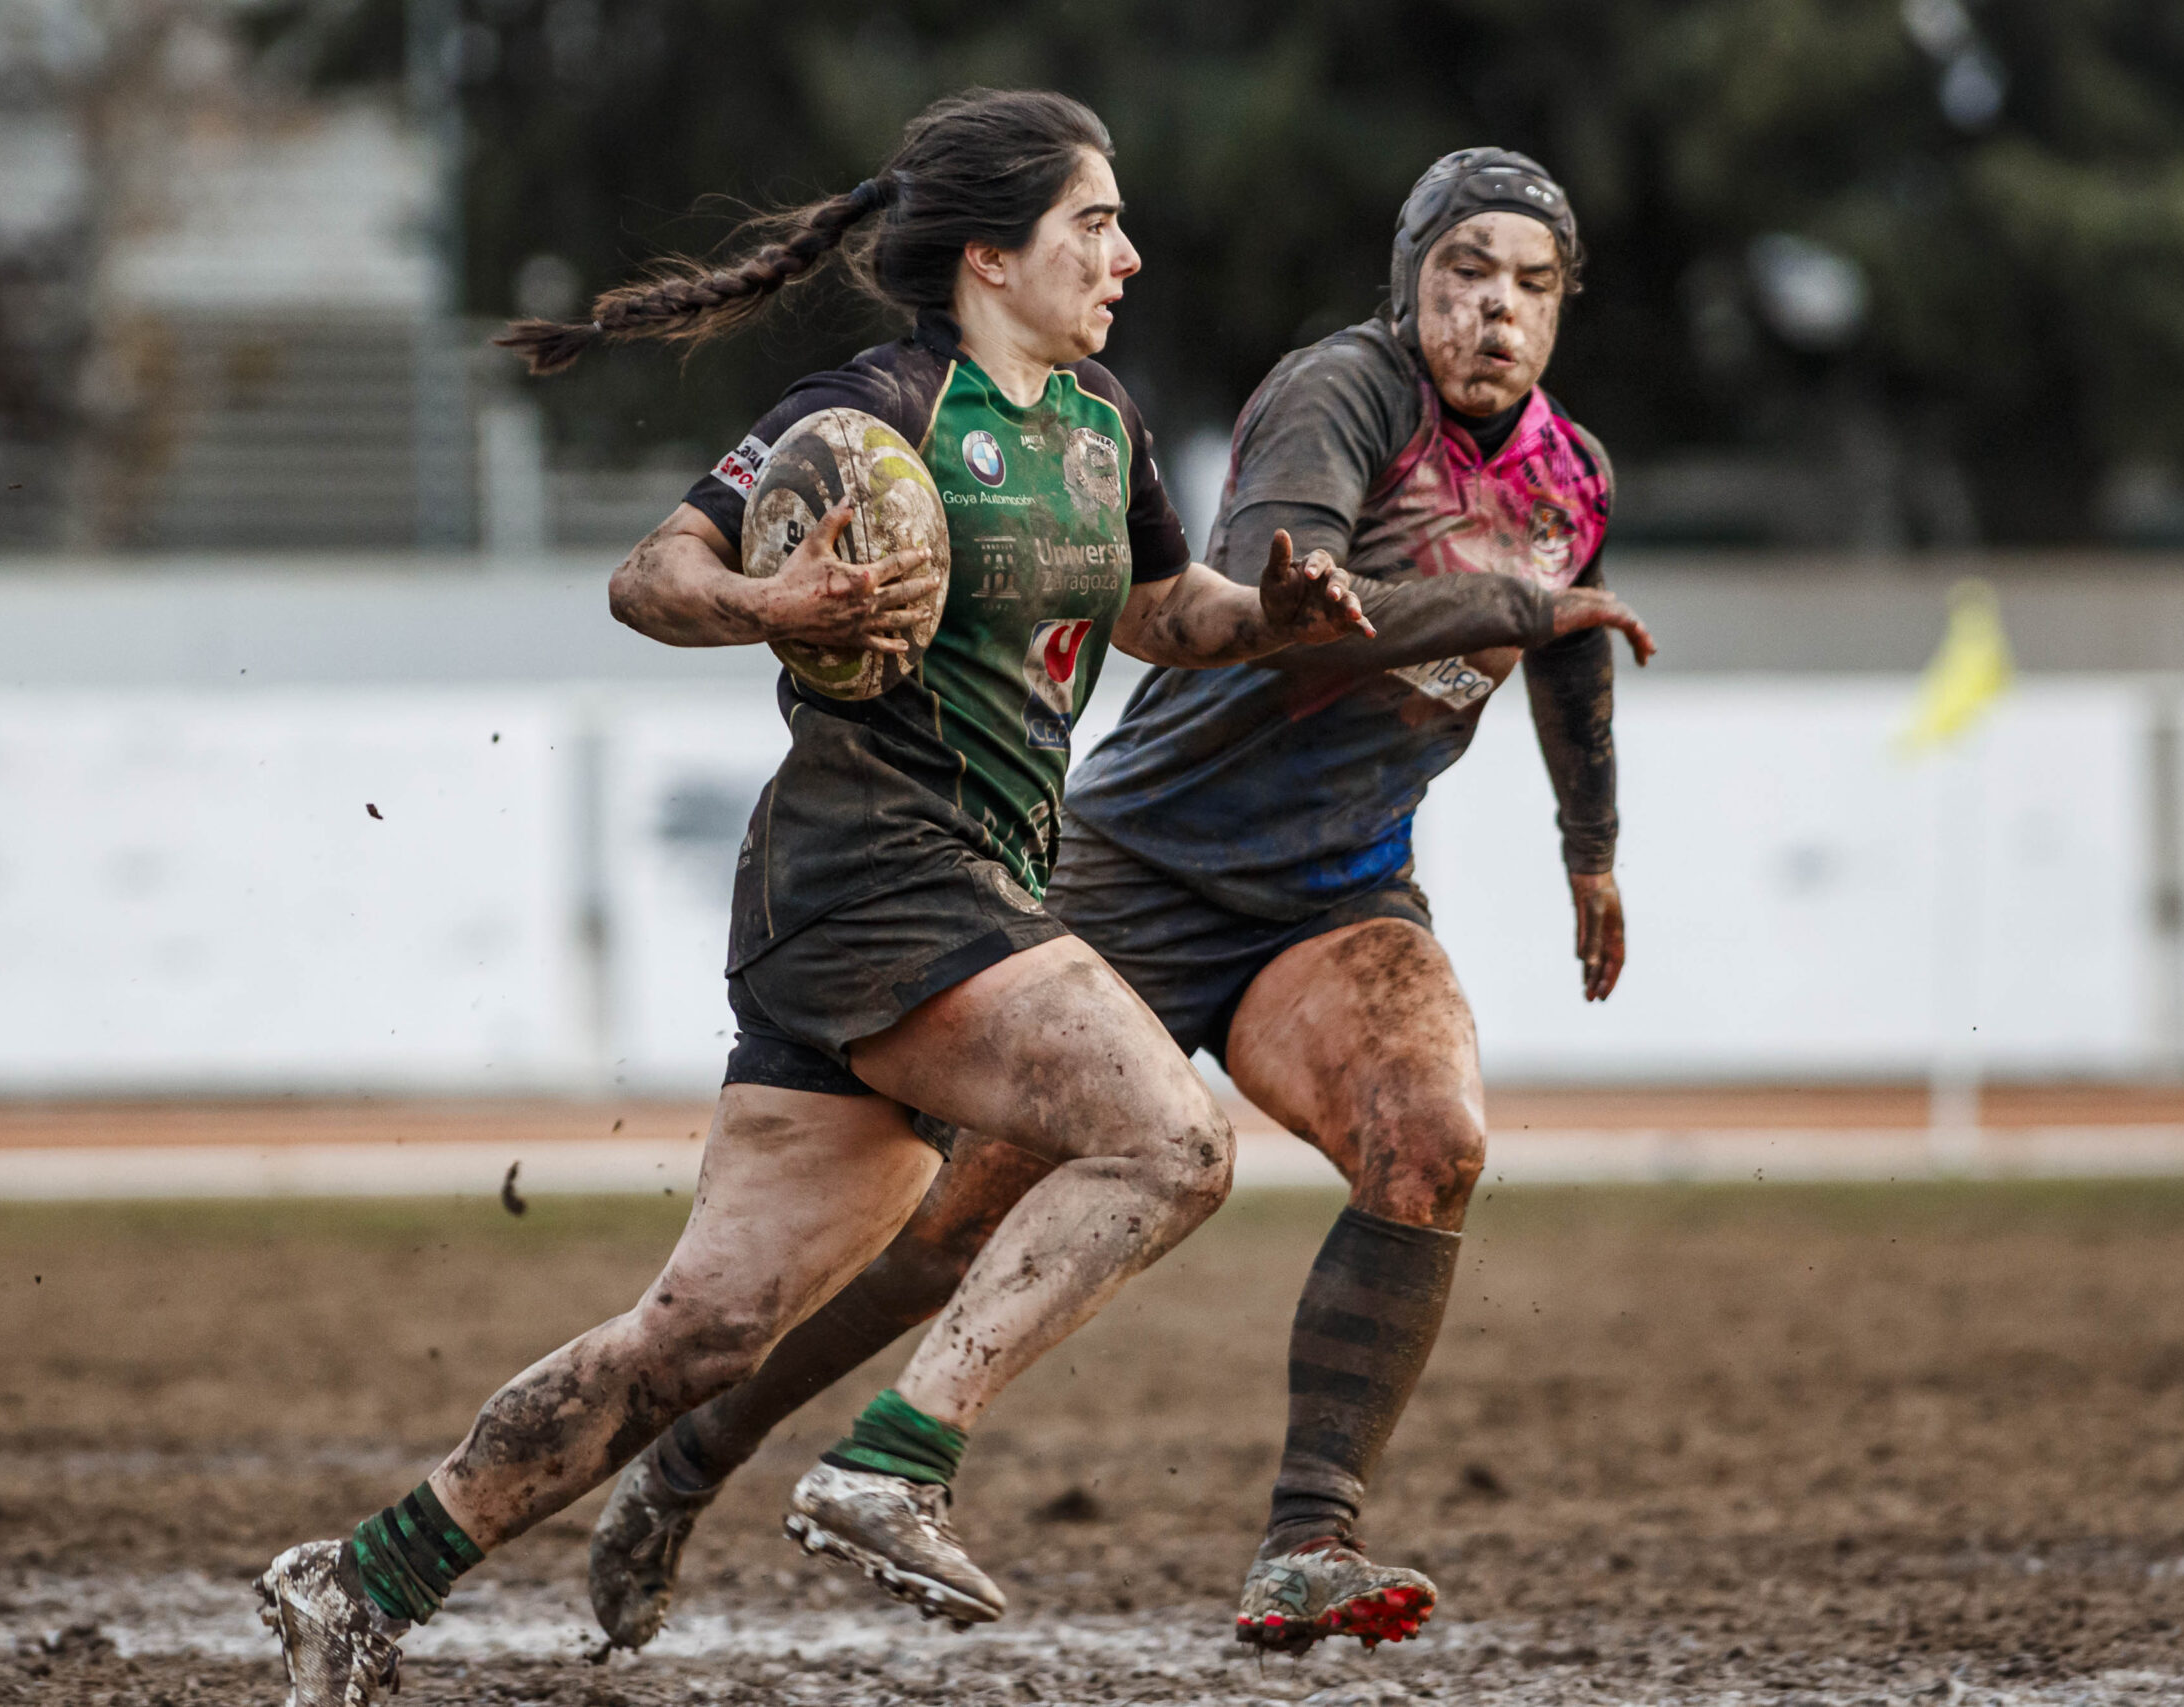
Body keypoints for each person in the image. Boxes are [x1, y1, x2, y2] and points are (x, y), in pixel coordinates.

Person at [251, 88, 1384, 1707]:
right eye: (1094, 222)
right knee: (1172, 1140)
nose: (1126, 253)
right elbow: (652, 574)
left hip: (932, 894)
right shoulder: (872, 412)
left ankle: (358, 1582)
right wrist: (764, 597)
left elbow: (1157, 609)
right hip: (872, 877)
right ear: (992, 252)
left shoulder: (1099, 422)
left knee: (694, 1345)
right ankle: (896, 1463)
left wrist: (1271, 613)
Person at [584, 146, 1655, 1659]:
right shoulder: (1341, 394)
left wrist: (1590, 846)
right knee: (943, 1233)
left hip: (1336, 899)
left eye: (1531, 285)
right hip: (1136, 867)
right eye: (1463, 272)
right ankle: (687, 1466)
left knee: (1433, 1146)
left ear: (1563, 309)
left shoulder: (1573, 476)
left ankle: (1308, 1542)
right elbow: (1280, 615)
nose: (1494, 309)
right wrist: (1509, 604)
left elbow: (1569, 641)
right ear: (1407, 279)